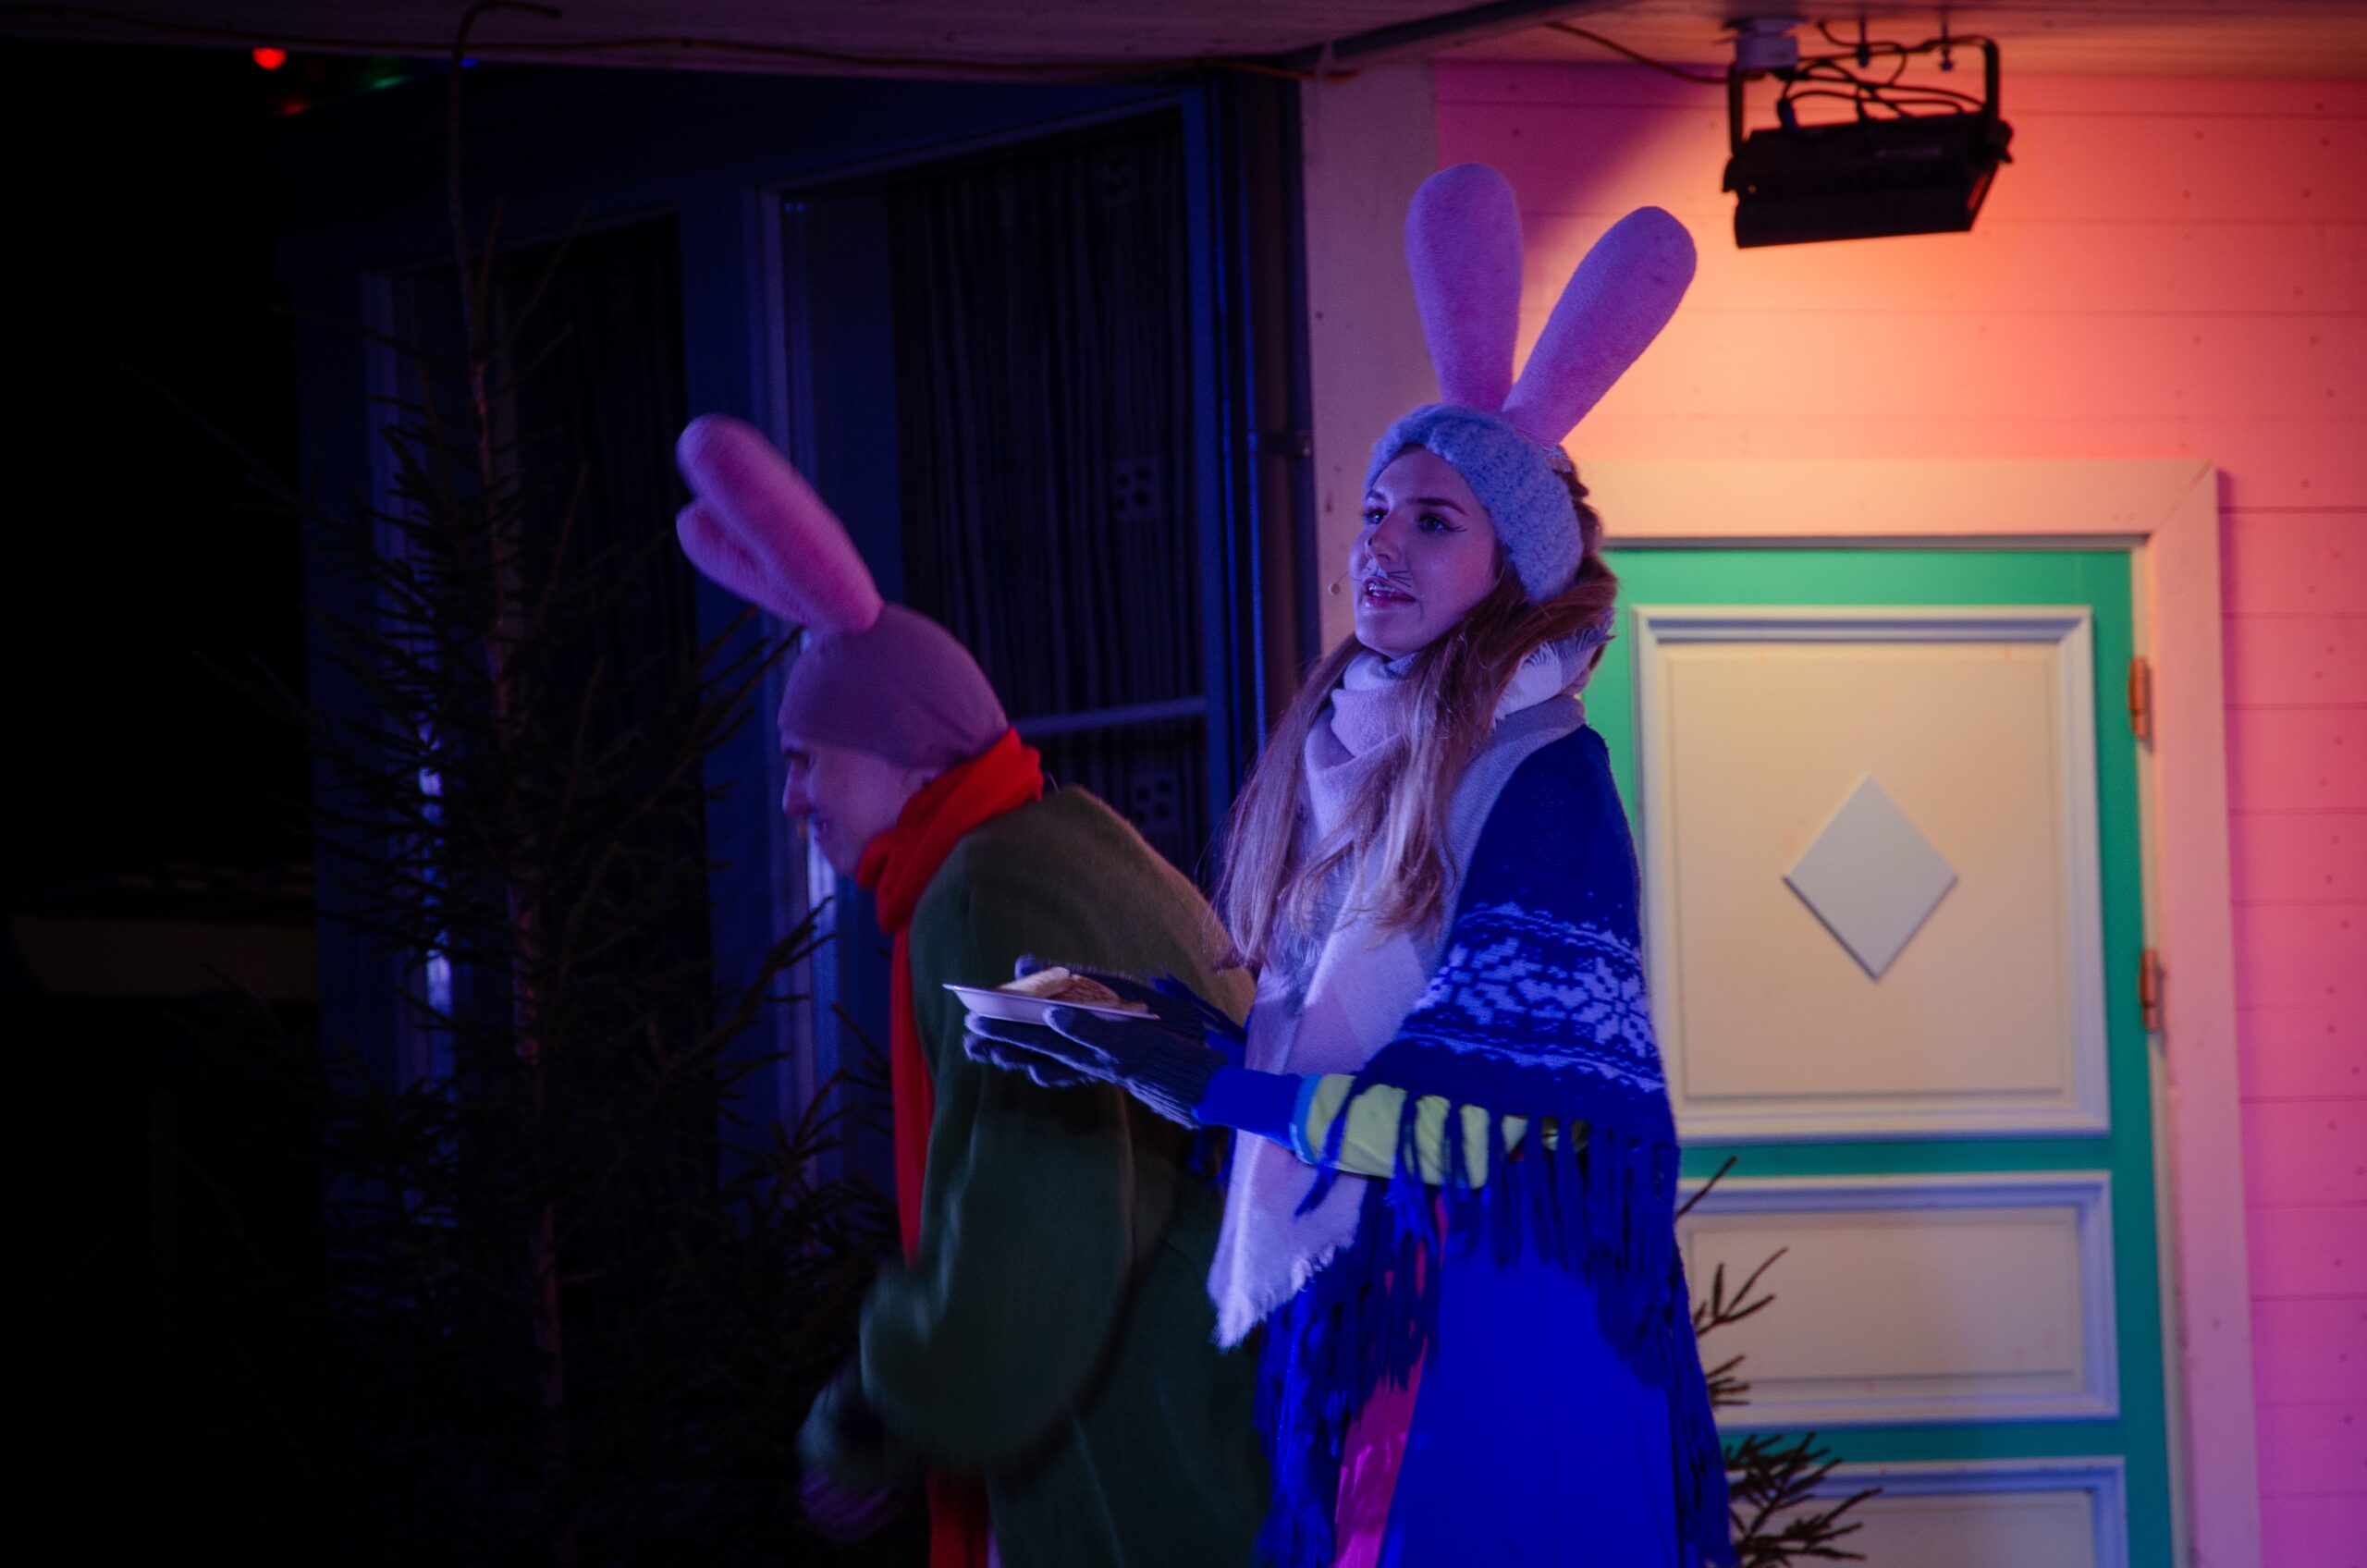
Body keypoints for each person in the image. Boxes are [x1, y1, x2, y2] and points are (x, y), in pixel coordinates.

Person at [967, 165, 1735, 1567]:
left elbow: (1468, 1128)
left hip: (1499, 1349)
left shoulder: (1544, 782)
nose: (1379, 542)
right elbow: (1358, 1072)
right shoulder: (1357, 767)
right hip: (1376, 1322)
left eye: (1433, 520)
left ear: (1513, 569)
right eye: (1376, 510)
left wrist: (1203, 1081)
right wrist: (1140, 1038)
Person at [672, 413, 1267, 1568]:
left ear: (904, 748)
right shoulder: (1062, 848)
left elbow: (1030, 1227)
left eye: (805, 758)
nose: (791, 798)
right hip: (1210, 1434)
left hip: (1143, 1476)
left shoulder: (991, 897)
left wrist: (884, 1410)